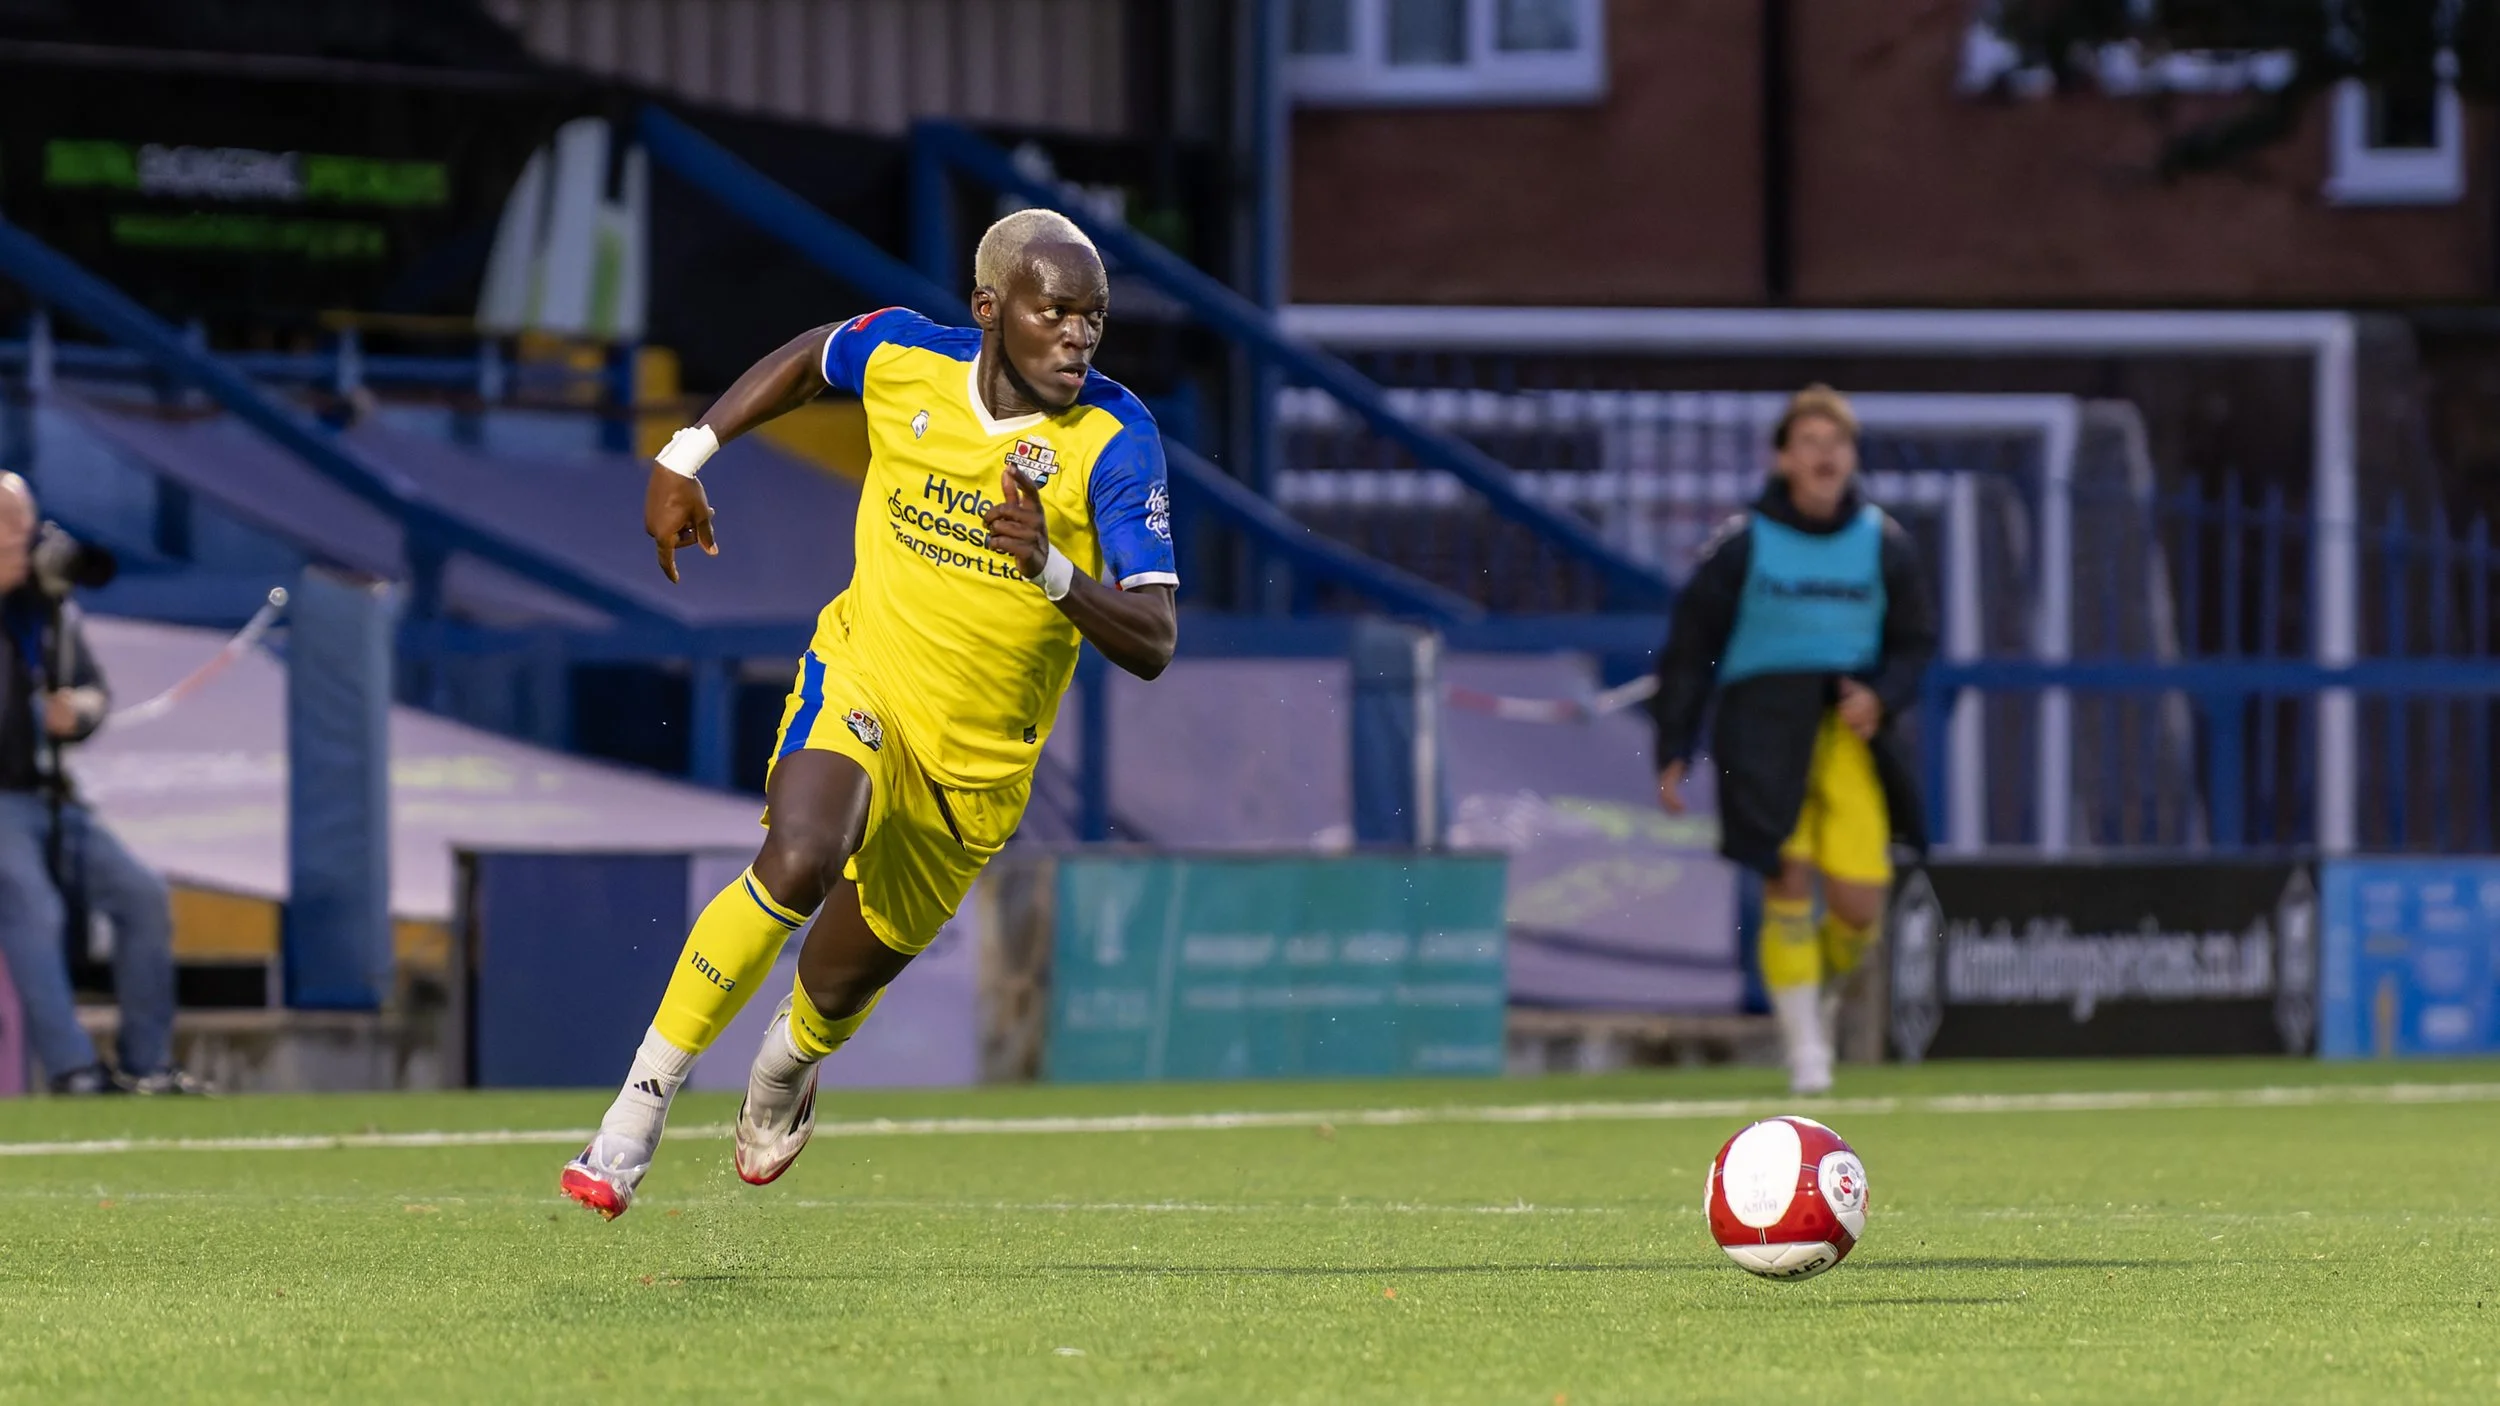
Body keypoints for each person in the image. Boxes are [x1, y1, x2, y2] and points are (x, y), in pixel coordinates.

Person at [561, 209, 1177, 1217]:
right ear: (989, 308)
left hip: (973, 769)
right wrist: (684, 454)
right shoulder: (904, 356)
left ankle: (782, 1070)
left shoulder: (1115, 440)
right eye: (1053, 310)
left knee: (834, 986)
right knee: (798, 855)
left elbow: (1154, 638)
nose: (1075, 335)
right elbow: (812, 359)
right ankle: (636, 1107)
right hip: (862, 678)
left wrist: (1053, 568)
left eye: (1092, 318)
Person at [1650, 386, 1934, 1095]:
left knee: (1860, 905)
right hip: (1762, 734)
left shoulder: (1884, 543)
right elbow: (1692, 648)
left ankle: (1820, 991)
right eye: (1809, 442)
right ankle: (1806, 1049)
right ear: (1783, 457)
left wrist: (1884, 694)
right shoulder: (1743, 544)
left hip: (1845, 734)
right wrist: (1674, 745)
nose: (1825, 455)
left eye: (1836, 443)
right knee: (1787, 876)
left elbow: (1915, 643)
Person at [0, 473, 201, 1095]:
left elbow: (93, 689)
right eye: (7, 527)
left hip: (49, 793)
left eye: (23, 523)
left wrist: (78, 711)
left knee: (142, 895)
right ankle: (74, 1070)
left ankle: (148, 1064)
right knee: (34, 909)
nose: (21, 540)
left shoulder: (48, 605)